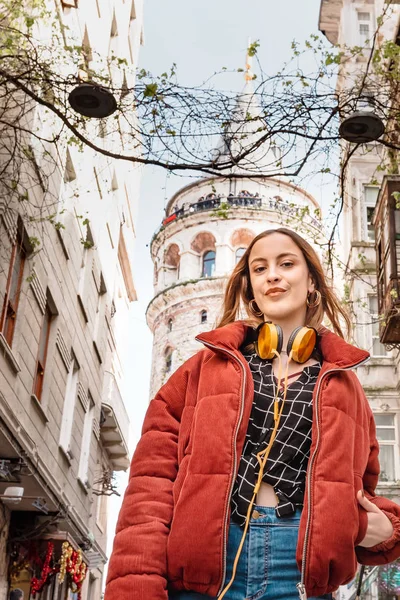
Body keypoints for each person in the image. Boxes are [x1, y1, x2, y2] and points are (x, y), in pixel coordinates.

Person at [104, 228, 400, 600]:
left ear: (311, 283)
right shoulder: (198, 372)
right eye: (259, 269)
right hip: (202, 571)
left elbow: (360, 493)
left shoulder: (345, 385)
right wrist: (135, 587)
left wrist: (385, 531)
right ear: (251, 289)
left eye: (286, 264)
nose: (272, 275)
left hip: (297, 576)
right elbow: (149, 488)